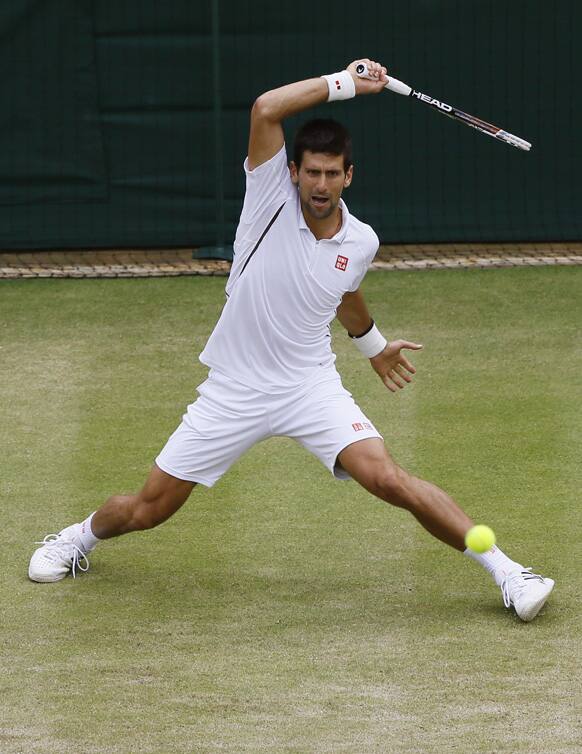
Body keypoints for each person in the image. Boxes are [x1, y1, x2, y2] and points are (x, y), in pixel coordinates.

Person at [29, 58, 554, 621]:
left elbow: (343, 294)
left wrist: (373, 348)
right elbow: (265, 108)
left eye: (333, 174)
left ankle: (506, 570)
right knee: (149, 508)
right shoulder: (268, 197)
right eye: (312, 173)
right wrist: (346, 84)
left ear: (348, 176)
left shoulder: (363, 240)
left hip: (309, 385)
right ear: (294, 173)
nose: (321, 184)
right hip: (235, 388)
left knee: (389, 479)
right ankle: (77, 538)